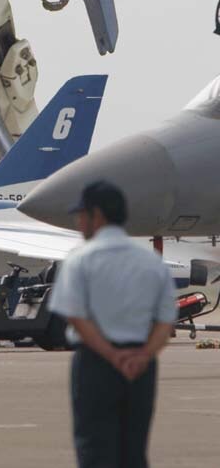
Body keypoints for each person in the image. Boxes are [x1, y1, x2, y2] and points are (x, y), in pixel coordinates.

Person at [49, 180, 177, 468]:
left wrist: (111, 355)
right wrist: (144, 355)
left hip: (96, 364)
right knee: (134, 451)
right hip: (140, 367)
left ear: (97, 216)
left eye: (81, 215)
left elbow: (75, 316)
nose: (78, 223)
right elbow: (165, 319)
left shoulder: (80, 259)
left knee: (95, 450)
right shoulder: (151, 262)